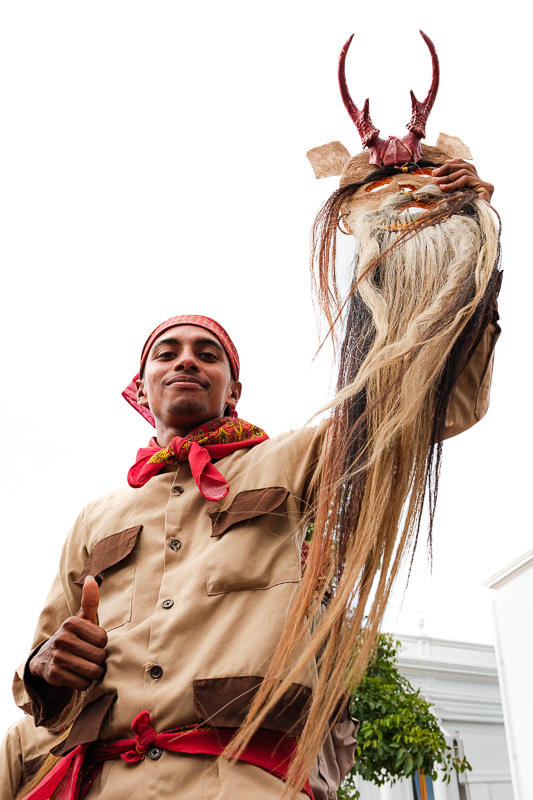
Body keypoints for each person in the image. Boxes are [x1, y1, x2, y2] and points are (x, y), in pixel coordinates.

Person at [12, 34, 501, 800]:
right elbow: (40, 674)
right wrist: (43, 668)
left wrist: (445, 250)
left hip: (240, 781)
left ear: (233, 389)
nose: (185, 360)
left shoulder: (294, 461)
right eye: (166, 352)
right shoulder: (94, 517)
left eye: (207, 354)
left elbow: (416, 409)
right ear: (140, 390)